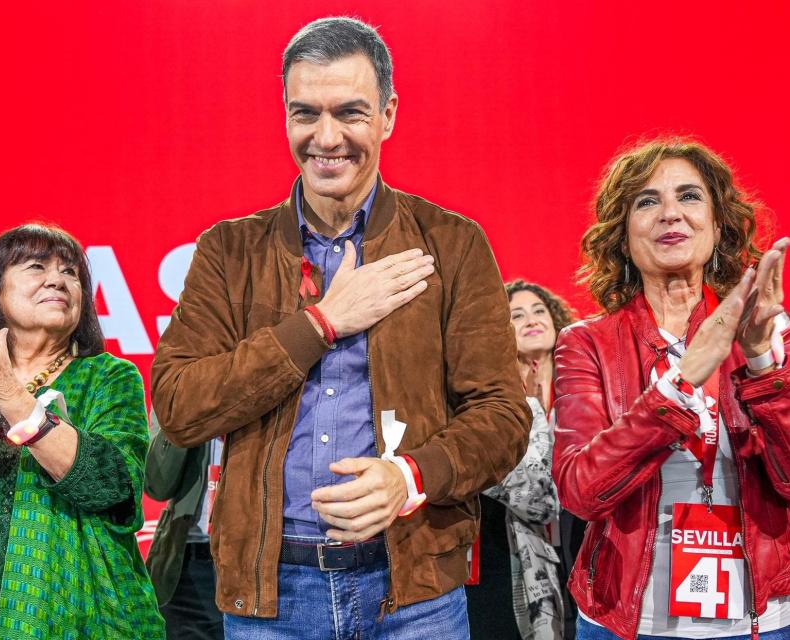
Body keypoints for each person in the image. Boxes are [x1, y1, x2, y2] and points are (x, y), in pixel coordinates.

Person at [151, 16, 531, 640]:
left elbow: (501, 414)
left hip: (413, 590)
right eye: (305, 114)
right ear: (285, 116)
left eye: (350, 112)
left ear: (387, 115)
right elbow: (178, 405)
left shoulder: (452, 242)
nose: (326, 137)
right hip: (269, 595)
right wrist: (321, 323)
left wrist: (410, 477)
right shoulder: (229, 249)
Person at [553, 139, 790, 640]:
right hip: (626, 624)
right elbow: (579, 491)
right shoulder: (585, 344)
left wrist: (762, 365)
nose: (669, 214)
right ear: (622, 235)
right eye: (646, 201)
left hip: (763, 624)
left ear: (718, 223)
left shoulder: (772, 331)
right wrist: (678, 387)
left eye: (689, 196)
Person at [0, 224, 164, 639]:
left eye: (71, 273)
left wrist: (10, 396)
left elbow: (114, 488)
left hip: (85, 617)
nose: (57, 279)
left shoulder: (107, 378)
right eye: (37, 266)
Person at [467, 280, 575, 640]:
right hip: (513, 562)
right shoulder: (485, 405)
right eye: (517, 315)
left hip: (579, 555)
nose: (531, 319)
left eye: (539, 310)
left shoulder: (583, 394)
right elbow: (535, 499)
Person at [145, 409, 225, 639]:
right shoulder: (181, 382)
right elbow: (156, 484)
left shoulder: (269, 379)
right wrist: (187, 403)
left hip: (259, 562)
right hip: (188, 562)